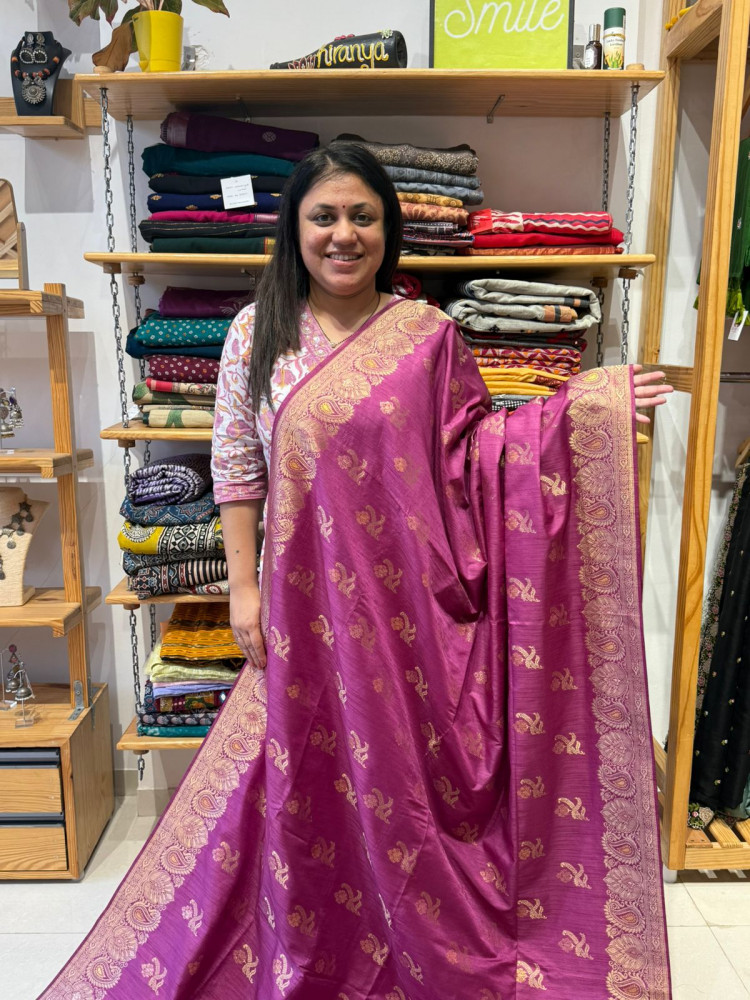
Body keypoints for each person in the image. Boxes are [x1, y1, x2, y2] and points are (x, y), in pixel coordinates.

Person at [40, 143, 673, 1000]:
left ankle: (409, 937)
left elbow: (477, 455)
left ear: (389, 228)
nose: (345, 236)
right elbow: (235, 469)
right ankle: (312, 947)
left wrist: (579, 411)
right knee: (303, 779)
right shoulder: (255, 335)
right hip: (303, 615)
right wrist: (243, 586)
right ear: (294, 230)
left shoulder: (428, 336)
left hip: (411, 617)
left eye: (363, 217)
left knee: (409, 791)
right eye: (325, 217)